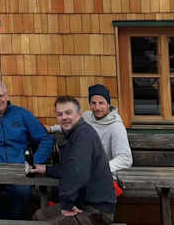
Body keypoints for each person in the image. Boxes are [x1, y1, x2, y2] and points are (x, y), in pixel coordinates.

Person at [0, 81, 53, 219]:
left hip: (19, 169)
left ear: (7, 96)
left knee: (21, 196)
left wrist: (35, 162)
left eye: (1, 95)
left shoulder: (22, 114)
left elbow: (45, 139)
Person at [30, 96, 116, 225]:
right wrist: (46, 169)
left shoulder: (83, 136)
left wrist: (67, 204)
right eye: (60, 114)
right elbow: (68, 168)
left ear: (79, 114)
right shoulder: (72, 135)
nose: (64, 117)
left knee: (60, 223)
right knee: (39, 216)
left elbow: (77, 172)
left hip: (97, 211)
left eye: (68, 112)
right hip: (81, 203)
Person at [47, 84, 132, 178]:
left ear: (108, 104)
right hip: (82, 168)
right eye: (93, 103)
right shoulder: (87, 117)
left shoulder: (116, 127)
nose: (97, 107)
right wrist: (51, 128)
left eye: (101, 103)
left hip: (103, 174)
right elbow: (71, 124)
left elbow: (125, 159)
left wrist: (100, 168)